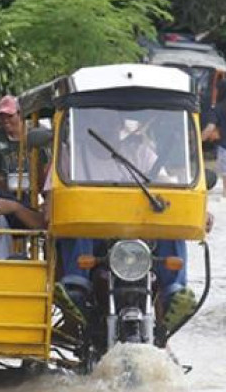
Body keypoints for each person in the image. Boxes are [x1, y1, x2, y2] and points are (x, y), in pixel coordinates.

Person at [50, 108, 197, 330]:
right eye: (98, 118)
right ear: (85, 122)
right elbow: (52, 201)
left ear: (120, 125)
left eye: (111, 120)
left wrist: (199, 211)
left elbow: (169, 189)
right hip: (94, 240)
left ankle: (173, 293)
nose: (106, 125)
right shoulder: (70, 156)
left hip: (139, 236)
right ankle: (76, 288)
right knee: (77, 218)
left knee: (171, 223)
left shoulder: (141, 153)